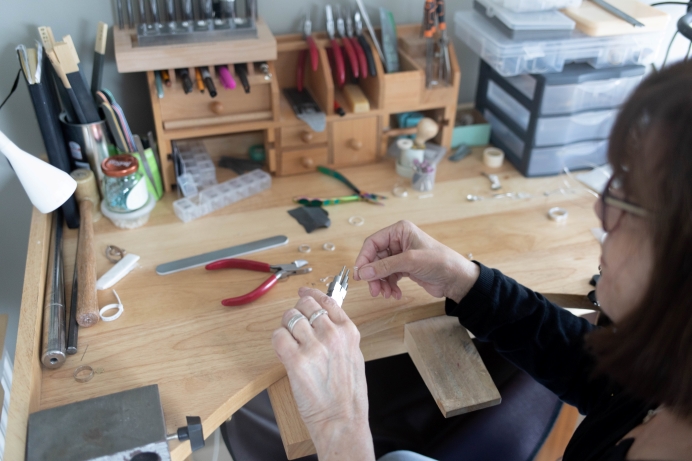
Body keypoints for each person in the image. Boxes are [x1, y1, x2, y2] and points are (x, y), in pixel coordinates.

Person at [271, 60, 692, 461]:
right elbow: (595, 375)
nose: (601, 209)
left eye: (628, 197)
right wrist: (464, 281)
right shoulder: (669, 376)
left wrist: (339, 427)